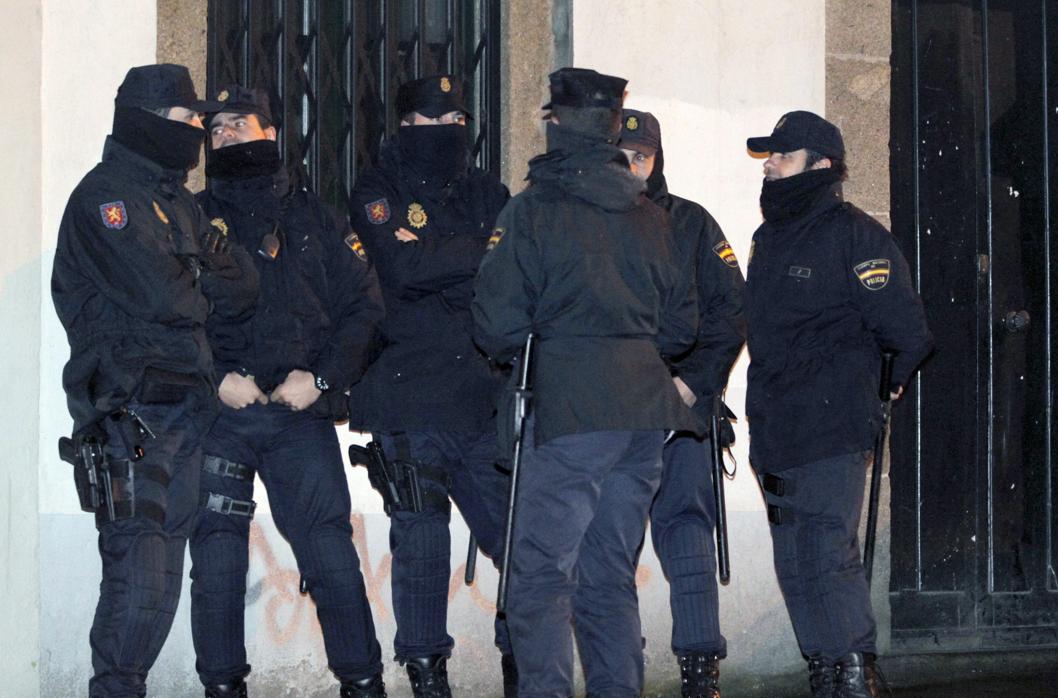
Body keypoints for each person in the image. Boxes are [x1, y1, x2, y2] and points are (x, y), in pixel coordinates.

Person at [473, 67, 701, 698]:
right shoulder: (651, 215)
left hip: (569, 408)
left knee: (538, 580)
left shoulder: (532, 211)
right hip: (645, 411)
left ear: (554, 124)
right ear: (608, 129)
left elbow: (495, 322)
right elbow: (682, 326)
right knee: (606, 578)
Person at [51, 64, 260, 698]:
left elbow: (244, 287)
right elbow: (163, 296)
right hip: (132, 410)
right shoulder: (104, 199)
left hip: (187, 411)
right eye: (187, 119)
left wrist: (191, 270)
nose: (198, 129)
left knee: (164, 581)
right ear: (145, 121)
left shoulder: (177, 202)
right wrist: (198, 273)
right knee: (140, 578)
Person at [185, 85, 387, 697]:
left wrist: (322, 379)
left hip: (298, 417)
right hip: (223, 415)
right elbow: (168, 312)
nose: (224, 137)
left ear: (271, 133)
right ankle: (222, 687)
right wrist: (214, 374)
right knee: (217, 560)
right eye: (215, 130)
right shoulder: (190, 216)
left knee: (330, 554)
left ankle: (362, 681)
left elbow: (365, 308)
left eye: (238, 126)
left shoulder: (317, 216)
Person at [743, 111, 933, 698]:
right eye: (769, 155)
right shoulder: (768, 237)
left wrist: (882, 388)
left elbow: (907, 331)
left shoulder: (857, 236)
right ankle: (825, 672)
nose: (770, 164)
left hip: (832, 422)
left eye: (783, 155)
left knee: (827, 550)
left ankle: (856, 676)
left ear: (820, 165)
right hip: (776, 423)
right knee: (794, 560)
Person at [347, 74, 512, 697]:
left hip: (481, 393)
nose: (444, 134)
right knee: (420, 544)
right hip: (408, 391)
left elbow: (504, 265)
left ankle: (519, 666)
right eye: (429, 123)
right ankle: (426, 679)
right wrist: (468, 250)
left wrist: (437, 250)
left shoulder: (485, 189)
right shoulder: (377, 188)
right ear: (405, 128)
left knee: (522, 546)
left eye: (455, 123)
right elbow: (401, 267)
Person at [617, 109, 746, 698]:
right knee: (608, 546)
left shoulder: (691, 223)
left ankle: (700, 674)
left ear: (656, 158)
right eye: (620, 157)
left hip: (681, 403)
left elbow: (730, 312)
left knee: (687, 533)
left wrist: (693, 384)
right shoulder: (582, 222)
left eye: (641, 156)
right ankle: (618, 671)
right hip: (607, 410)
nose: (632, 168)